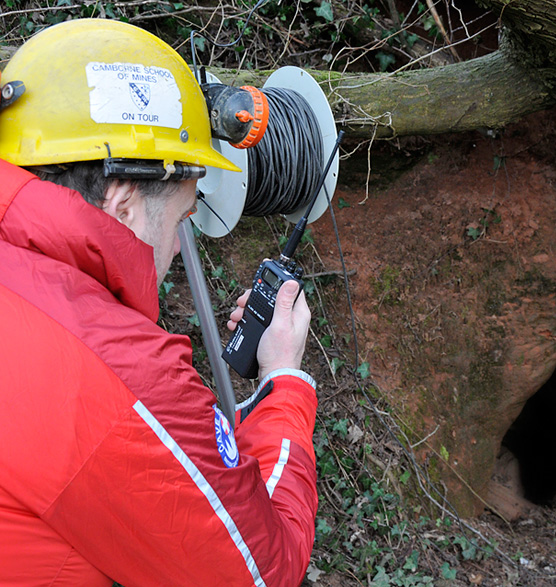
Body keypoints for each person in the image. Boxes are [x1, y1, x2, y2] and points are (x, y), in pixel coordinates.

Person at [0, 19, 318, 587]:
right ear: (123, 205)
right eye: (182, 216)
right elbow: (260, 572)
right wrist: (285, 380)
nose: (178, 244)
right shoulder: (118, 373)